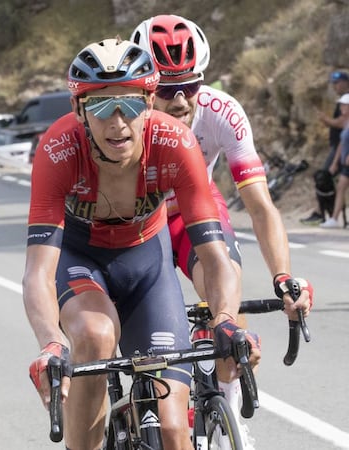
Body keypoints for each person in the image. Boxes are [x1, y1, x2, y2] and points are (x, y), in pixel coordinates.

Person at [23, 37, 264, 450]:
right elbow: (38, 272)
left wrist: (225, 318)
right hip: (82, 260)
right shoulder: (58, 150)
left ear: (150, 102)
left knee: (173, 431)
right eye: (101, 107)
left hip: (147, 262)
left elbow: (214, 254)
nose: (118, 122)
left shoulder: (176, 143)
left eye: (131, 105)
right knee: (96, 336)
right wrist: (51, 341)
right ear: (80, 110)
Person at [130, 14, 313, 446]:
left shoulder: (221, 112)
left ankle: (225, 407)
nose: (179, 101)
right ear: (144, 86)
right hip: (135, 221)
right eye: (167, 90)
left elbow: (260, 205)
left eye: (189, 87)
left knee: (226, 301)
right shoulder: (125, 118)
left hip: (192, 211)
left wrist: (282, 276)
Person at [301, 70, 349, 225]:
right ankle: (328, 214)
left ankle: (323, 213)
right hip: (340, 147)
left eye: (337, 83)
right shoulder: (342, 101)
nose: (335, 86)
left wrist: (325, 119)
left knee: (325, 178)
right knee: (337, 183)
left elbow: (341, 123)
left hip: (342, 150)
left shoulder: (346, 102)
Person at [320, 93, 349, 228]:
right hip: (345, 164)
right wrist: (335, 162)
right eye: (341, 105)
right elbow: (341, 144)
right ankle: (334, 219)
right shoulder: (345, 122)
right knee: (341, 188)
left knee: (342, 187)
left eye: (344, 105)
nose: (342, 107)